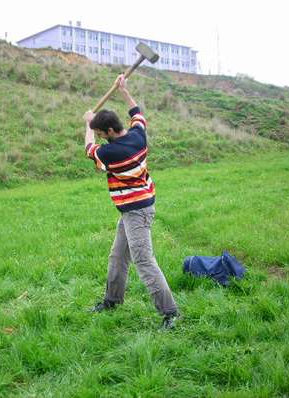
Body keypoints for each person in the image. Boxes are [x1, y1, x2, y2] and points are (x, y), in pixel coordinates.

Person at [83, 74, 181, 330]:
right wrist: (123, 89)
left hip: (137, 212)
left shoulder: (111, 151)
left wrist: (86, 125)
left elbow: (89, 150)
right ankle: (112, 300)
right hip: (133, 209)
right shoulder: (138, 134)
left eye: (101, 133)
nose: (100, 137)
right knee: (117, 256)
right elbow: (137, 112)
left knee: (144, 260)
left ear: (111, 132)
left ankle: (170, 313)